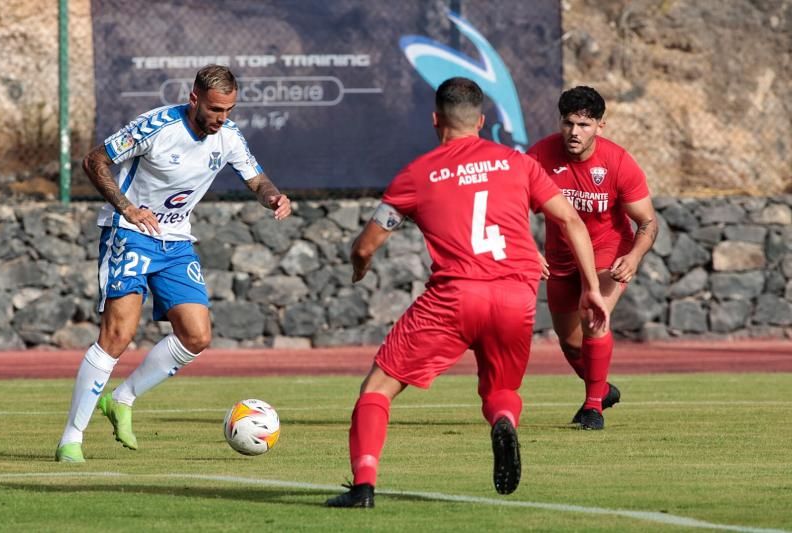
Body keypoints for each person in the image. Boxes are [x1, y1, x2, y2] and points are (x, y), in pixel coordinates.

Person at [325, 77, 609, 508]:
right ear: (480, 120)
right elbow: (570, 222)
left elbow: (366, 245)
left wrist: (359, 267)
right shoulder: (518, 163)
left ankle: (363, 485)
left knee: (378, 388)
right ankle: (503, 423)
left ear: (436, 120)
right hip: (516, 296)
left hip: (454, 298)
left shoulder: (416, 174)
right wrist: (591, 287)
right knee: (500, 391)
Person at [54, 65, 291, 463]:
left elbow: (256, 179)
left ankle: (123, 399)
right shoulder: (156, 127)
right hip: (129, 233)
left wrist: (272, 196)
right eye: (216, 109)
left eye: (229, 110)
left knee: (196, 336)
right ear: (194, 98)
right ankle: (71, 439)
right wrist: (127, 208)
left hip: (176, 241)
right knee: (118, 334)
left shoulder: (228, 136)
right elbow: (95, 161)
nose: (222, 118)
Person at [527, 86, 658, 430]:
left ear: (600, 126)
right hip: (560, 259)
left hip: (607, 254)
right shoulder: (540, 156)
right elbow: (509, 208)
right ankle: (601, 387)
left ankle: (592, 407)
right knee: (570, 344)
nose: (574, 132)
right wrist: (528, 248)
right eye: (569, 123)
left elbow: (647, 222)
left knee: (592, 315)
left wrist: (634, 256)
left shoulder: (617, 162)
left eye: (584, 125)